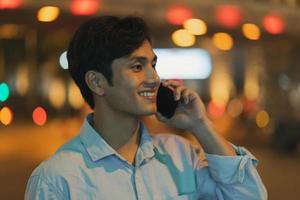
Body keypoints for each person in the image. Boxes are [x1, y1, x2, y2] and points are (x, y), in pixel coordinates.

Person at [25, 16, 267, 200]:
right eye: (137, 67)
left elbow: (249, 195)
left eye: (153, 64)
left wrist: (200, 125)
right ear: (97, 82)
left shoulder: (181, 155)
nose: (154, 77)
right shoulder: (57, 178)